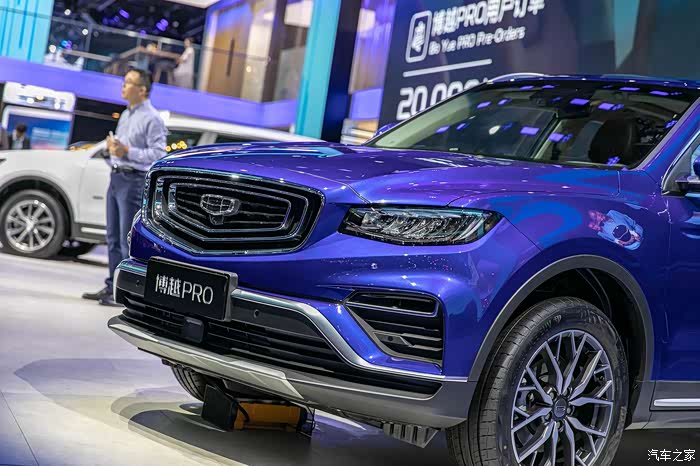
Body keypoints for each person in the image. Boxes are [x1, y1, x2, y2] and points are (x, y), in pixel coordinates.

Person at [82, 68, 167, 306]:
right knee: (111, 237)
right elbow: (122, 149)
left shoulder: (152, 118)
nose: (123, 85)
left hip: (133, 180)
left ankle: (125, 291)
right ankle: (112, 285)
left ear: (142, 90)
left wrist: (127, 151)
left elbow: (158, 154)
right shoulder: (127, 114)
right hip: (117, 177)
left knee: (125, 239)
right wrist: (114, 150)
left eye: (128, 82)